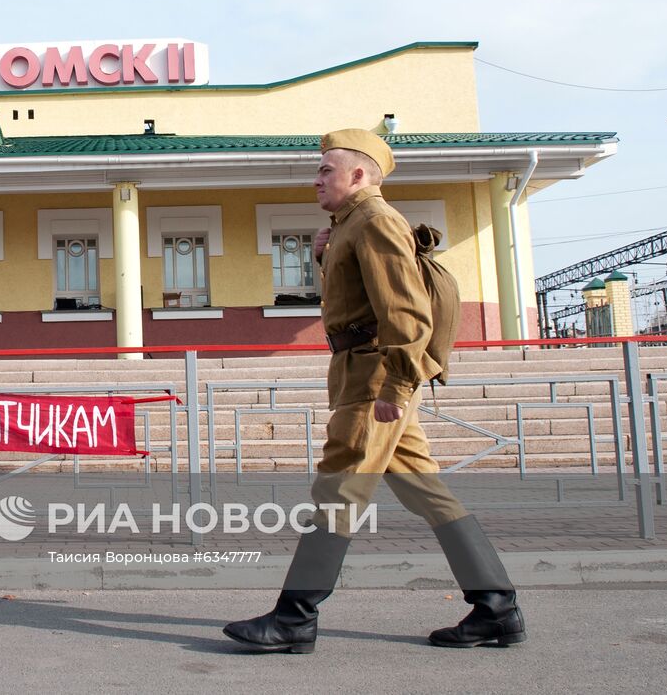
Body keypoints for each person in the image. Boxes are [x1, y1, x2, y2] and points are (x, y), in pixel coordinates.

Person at [223, 128, 525, 653]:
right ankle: (496, 609)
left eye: (325, 169)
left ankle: (295, 616)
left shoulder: (377, 221)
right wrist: (323, 257)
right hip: (358, 368)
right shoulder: (348, 226)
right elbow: (358, 299)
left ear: (358, 174)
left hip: (375, 375)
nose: (315, 178)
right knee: (426, 492)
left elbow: (406, 313)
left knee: (338, 489)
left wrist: (399, 384)